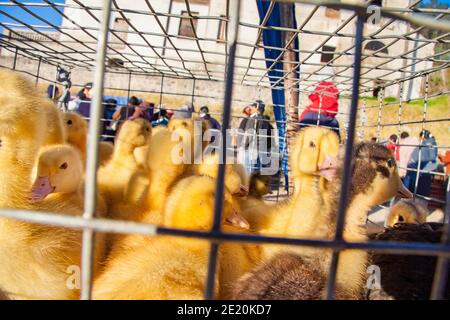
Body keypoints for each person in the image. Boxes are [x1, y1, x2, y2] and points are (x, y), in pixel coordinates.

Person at [239, 100, 274, 174]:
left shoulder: (253, 119)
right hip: (261, 150)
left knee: (248, 172)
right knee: (257, 173)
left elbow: (249, 134)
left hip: (252, 150)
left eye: (252, 107)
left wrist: (243, 147)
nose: (250, 108)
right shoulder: (265, 120)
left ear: (255, 107)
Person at [404, 129, 438, 199]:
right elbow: (433, 162)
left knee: (415, 196)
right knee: (422, 196)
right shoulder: (432, 144)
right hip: (425, 173)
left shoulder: (424, 146)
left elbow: (415, 161)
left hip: (418, 174)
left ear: (422, 137)